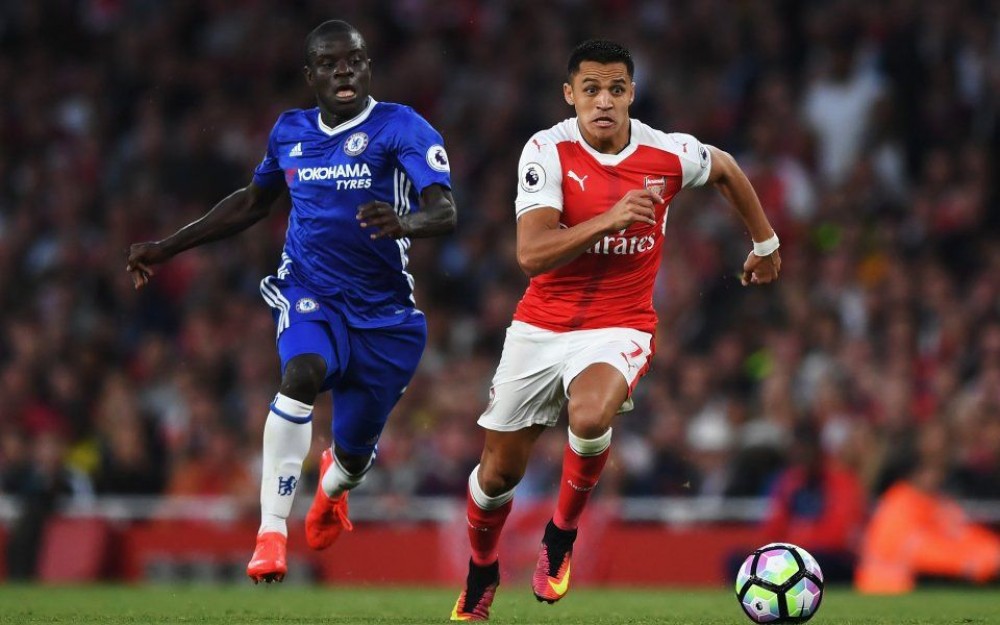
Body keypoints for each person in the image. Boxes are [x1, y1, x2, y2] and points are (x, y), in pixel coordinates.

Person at [450, 39, 781, 621]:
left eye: (615, 89)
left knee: (590, 416)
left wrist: (766, 241)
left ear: (631, 93)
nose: (603, 101)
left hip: (620, 323)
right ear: (569, 94)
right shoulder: (547, 150)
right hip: (540, 324)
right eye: (591, 89)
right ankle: (481, 570)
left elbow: (726, 168)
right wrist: (611, 218)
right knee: (498, 474)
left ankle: (560, 536)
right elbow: (531, 254)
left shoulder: (666, 153)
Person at [126, 19, 457, 584]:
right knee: (302, 372)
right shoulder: (289, 132)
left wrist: (405, 221)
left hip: (385, 316)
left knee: (353, 457)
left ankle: (333, 487)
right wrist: (167, 247)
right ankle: (271, 533)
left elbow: (444, 209)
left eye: (352, 60)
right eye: (328, 63)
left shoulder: (402, 126)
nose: (342, 71)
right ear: (311, 76)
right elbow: (253, 202)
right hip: (311, 289)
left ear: (368, 67)